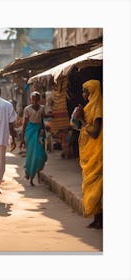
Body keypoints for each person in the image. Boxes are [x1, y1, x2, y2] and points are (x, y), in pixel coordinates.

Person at [73, 79, 103, 229]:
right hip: (90, 152)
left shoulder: (98, 107)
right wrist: (81, 117)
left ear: (91, 92)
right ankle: (96, 218)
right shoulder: (90, 106)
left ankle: (99, 219)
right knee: (91, 184)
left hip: (97, 151)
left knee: (95, 185)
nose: (83, 93)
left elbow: (95, 132)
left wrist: (82, 121)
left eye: (85, 91)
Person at [20, 91, 47, 186]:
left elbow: (43, 121)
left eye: (36, 100)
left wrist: (43, 133)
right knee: (31, 155)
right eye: (33, 100)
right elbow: (24, 124)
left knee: (40, 155)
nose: (34, 102)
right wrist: (22, 139)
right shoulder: (27, 109)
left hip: (39, 132)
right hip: (30, 133)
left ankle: (34, 172)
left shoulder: (42, 109)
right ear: (30, 100)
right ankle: (30, 175)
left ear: (39, 100)